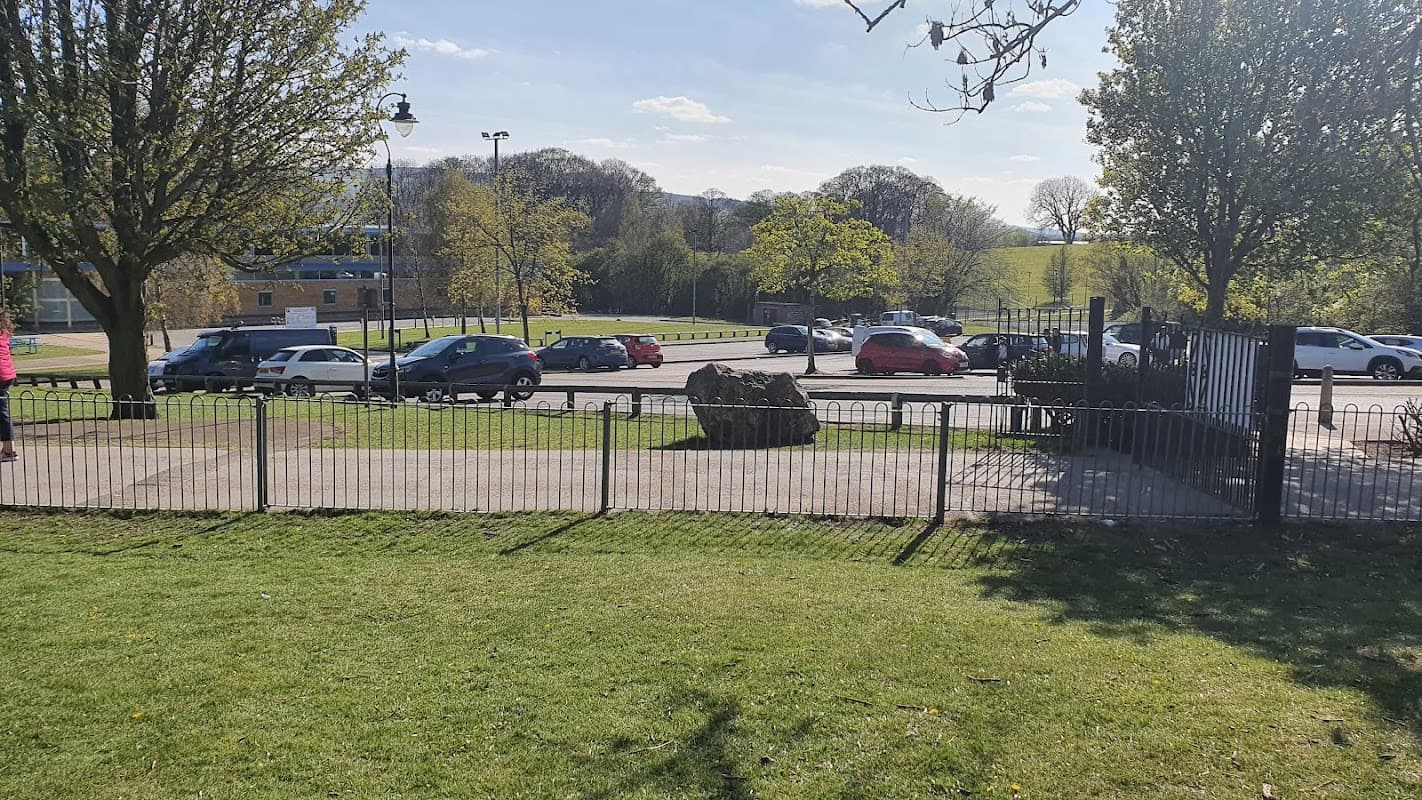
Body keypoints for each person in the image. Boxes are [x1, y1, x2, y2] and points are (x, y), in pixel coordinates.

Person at [0, 309, 17, 463]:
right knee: (2, 411)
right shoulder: (4, 332)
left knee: (2, 413)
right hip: (7, 374)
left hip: (1, 375)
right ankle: (8, 448)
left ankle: (9, 450)